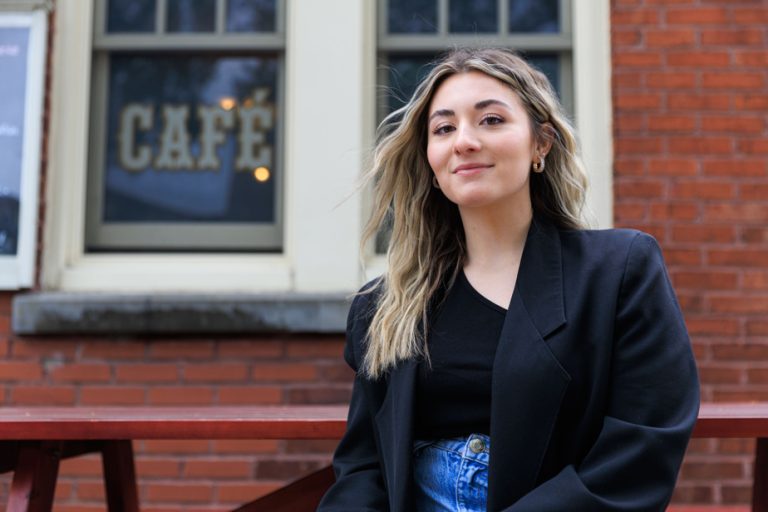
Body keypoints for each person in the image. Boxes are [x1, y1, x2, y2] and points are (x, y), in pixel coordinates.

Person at [317, 47, 699, 512]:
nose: (464, 141)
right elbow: (363, 468)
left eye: (491, 120)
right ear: (431, 162)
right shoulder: (385, 305)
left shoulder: (619, 271)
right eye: (444, 128)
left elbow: (642, 447)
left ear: (541, 144)